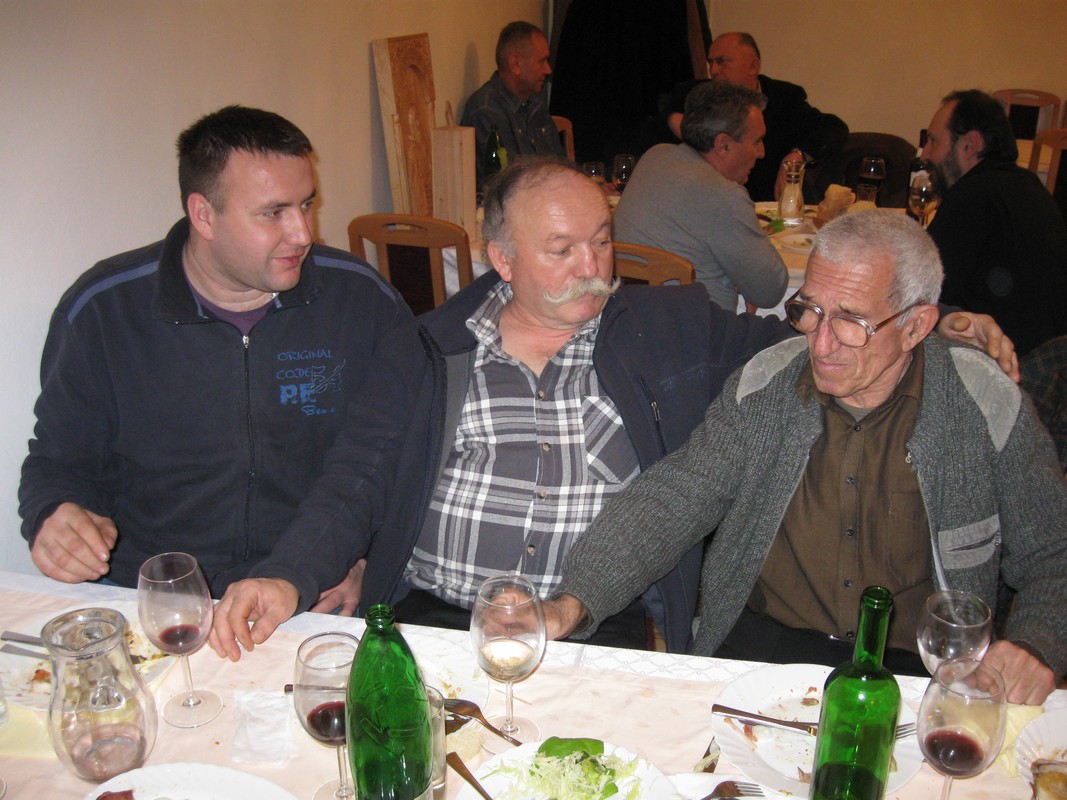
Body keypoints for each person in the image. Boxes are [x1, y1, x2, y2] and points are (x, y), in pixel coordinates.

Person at [206, 159, 1015, 663]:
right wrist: (288, 572)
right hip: (437, 621)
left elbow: (813, 335)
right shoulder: (425, 348)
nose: (591, 266)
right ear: (501, 259)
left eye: (600, 240)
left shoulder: (669, 329)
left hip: (594, 626)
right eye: (561, 250)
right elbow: (352, 481)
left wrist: (944, 322)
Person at [544, 210, 1066, 705]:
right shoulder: (766, 387)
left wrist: (1036, 642)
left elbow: (1054, 552)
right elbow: (674, 498)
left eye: (851, 322)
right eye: (810, 310)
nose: (821, 344)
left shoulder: (982, 403)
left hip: (916, 669)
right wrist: (574, 601)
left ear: (915, 326)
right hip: (766, 650)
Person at [19, 105, 412, 604]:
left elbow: (406, 451)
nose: (303, 234)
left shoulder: (361, 299)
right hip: (155, 598)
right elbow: (59, 459)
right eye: (273, 212)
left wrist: (362, 558)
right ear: (204, 214)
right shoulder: (104, 310)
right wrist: (54, 512)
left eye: (306, 204)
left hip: (313, 589)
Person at [614, 81, 788, 311]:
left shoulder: (655, 156)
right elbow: (770, 291)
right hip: (695, 327)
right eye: (757, 141)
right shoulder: (724, 195)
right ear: (723, 145)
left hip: (627, 317)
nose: (762, 152)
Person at [924, 89, 1067, 357]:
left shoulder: (972, 196)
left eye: (934, 141)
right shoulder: (1030, 185)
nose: (926, 154)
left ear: (970, 144)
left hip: (1007, 362)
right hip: (1054, 360)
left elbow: (921, 291)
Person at [653, 32, 848, 202]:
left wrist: (796, 157)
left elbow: (833, 128)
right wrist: (674, 120)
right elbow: (651, 130)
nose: (713, 71)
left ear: (753, 66)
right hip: (708, 200)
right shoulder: (695, 94)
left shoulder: (784, 98)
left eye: (722, 61)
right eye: (711, 62)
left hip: (765, 203)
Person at [460, 21, 564, 189]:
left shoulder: (535, 103)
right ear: (515, 64)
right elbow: (508, 188)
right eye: (542, 61)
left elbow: (561, 167)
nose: (548, 70)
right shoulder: (486, 112)